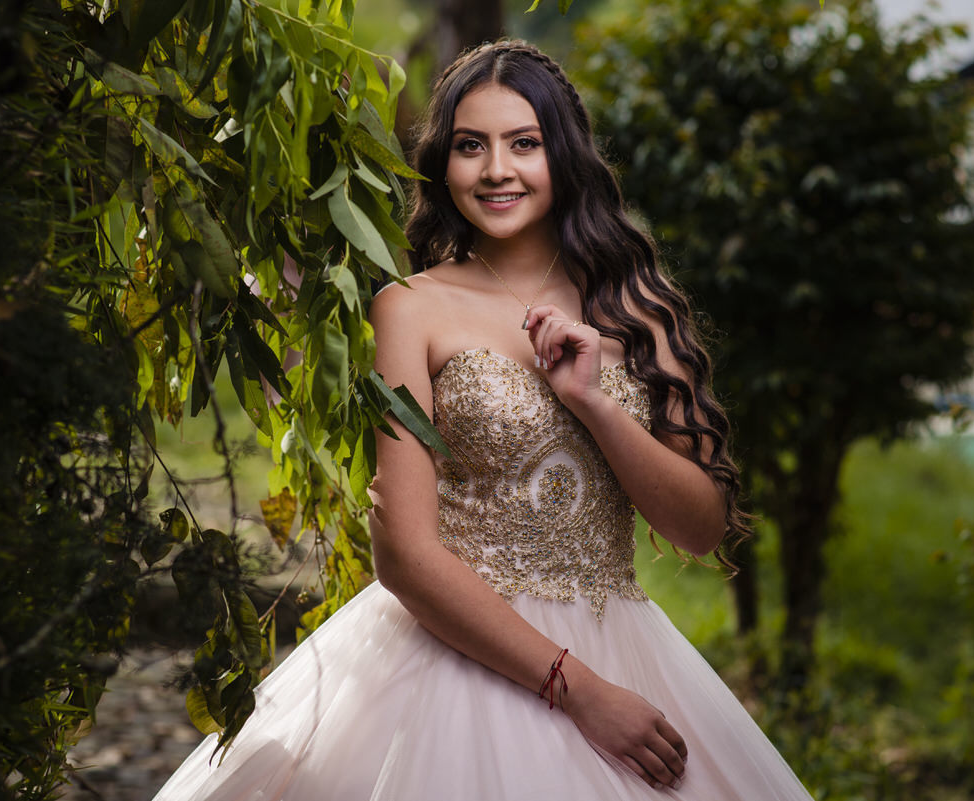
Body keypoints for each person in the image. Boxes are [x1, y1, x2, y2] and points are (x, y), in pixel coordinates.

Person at [150, 40, 813, 800]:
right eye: (471, 146)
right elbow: (404, 553)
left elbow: (699, 527)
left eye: (524, 143)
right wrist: (580, 690)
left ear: (564, 155)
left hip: (626, 640)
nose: (497, 169)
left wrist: (594, 403)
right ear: (444, 164)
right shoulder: (411, 307)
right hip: (459, 660)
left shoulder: (637, 306)